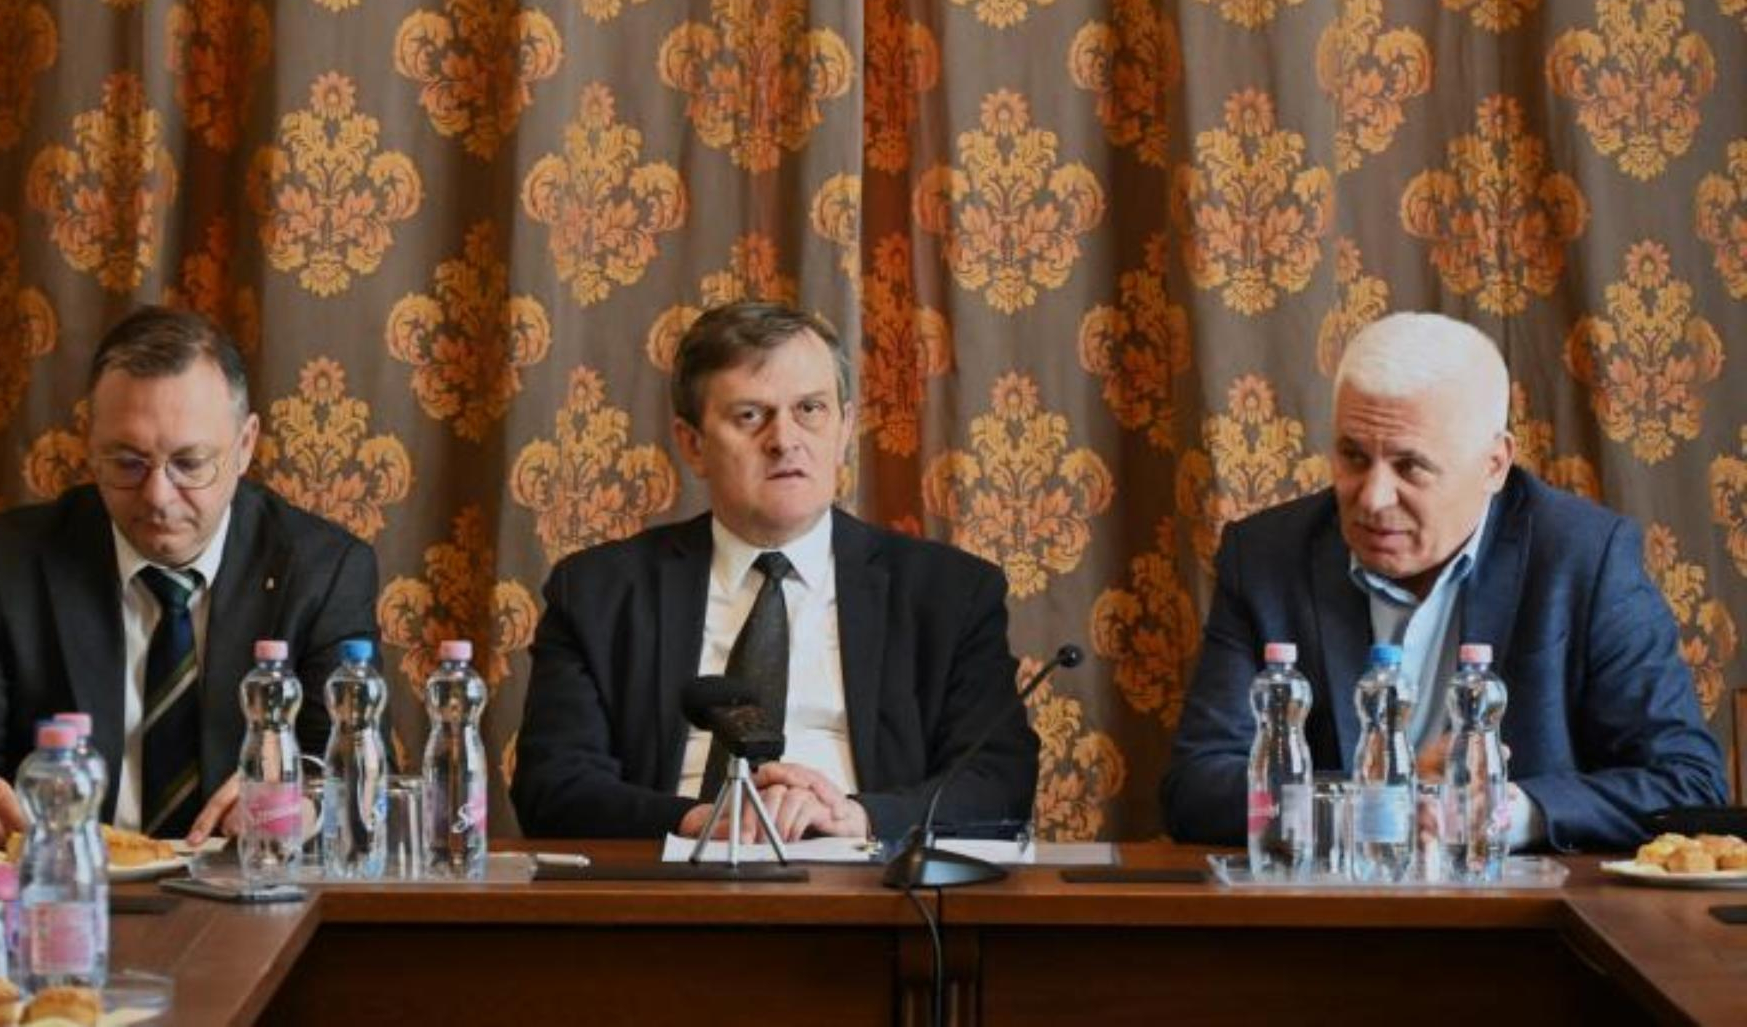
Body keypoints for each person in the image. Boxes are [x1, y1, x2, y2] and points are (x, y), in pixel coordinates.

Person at [1163, 312, 1726, 850]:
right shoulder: (1268, 556)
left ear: (1494, 465)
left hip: (1517, 911)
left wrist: (1505, 813)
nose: (1373, 498)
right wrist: (1381, 802)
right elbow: (1197, 786)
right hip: (1327, 906)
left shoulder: (1582, 560)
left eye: (1411, 467)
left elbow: (1688, 784)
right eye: (1353, 457)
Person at [513, 301, 1038, 841]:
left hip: (868, 874)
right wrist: (703, 823)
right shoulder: (600, 592)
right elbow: (553, 784)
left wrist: (856, 817)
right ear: (693, 444)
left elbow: (998, 780)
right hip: (673, 876)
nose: (785, 440)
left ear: (845, 428)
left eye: (810, 409)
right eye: (749, 415)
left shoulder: (949, 593)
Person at [0, 306, 379, 854]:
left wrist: (301, 797)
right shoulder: (10, 563)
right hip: (70, 883)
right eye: (127, 463)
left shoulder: (323, 569)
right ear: (90, 447)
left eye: (190, 463)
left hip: (248, 883)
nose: (158, 496)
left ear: (244, 447)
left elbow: (354, 757)